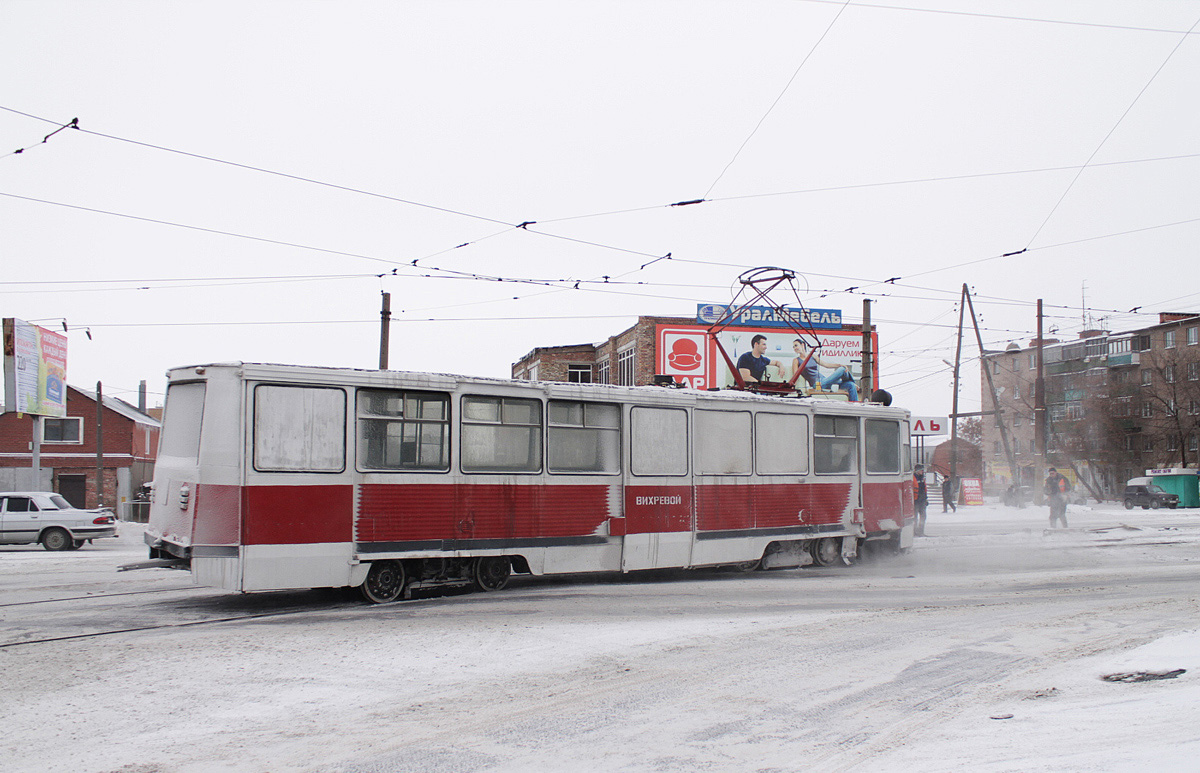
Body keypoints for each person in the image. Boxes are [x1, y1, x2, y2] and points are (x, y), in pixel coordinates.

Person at [792, 339, 858, 401]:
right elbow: (795, 376)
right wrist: (792, 387)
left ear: (802, 345)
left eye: (796, 345)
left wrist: (839, 364)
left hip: (825, 380)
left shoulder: (812, 356)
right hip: (817, 384)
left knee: (850, 385)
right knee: (843, 369)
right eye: (793, 347)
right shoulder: (796, 360)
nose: (795, 348)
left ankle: (855, 407)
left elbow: (826, 365)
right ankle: (853, 382)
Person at [913, 465, 928, 536]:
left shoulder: (922, 478)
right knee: (914, 517)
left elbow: (924, 489)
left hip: (922, 500)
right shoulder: (913, 478)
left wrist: (926, 499)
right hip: (916, 501)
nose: (922, 471)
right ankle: (914, 532)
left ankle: (920, 531)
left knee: (923, 516)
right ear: (917, 470)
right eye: (921, 470)